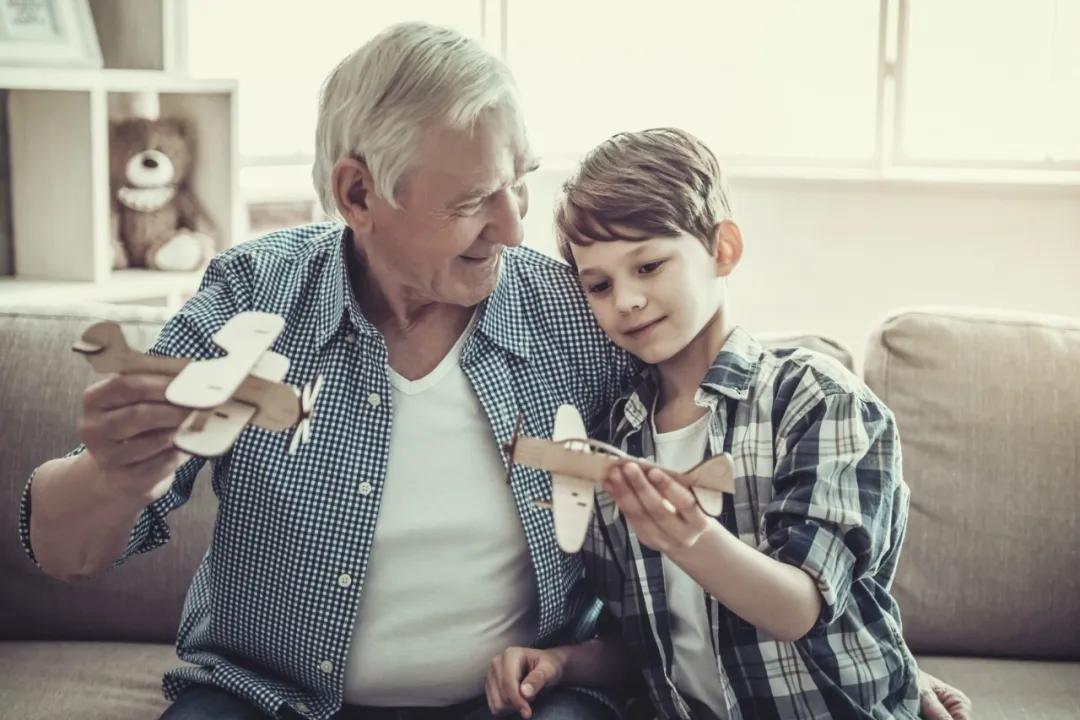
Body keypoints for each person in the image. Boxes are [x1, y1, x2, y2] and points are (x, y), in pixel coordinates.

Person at [19, 22, 968, 720]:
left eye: (521, 182)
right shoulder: (254, 295)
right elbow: (67, 552)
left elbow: (739, 458)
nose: (515, 229)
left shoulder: (576, 311)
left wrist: (870, 658)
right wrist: (116, 469)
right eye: (476, 199)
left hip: (524, 699)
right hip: (264, 694)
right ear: (359, 193)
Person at [484, 128, 971, 720]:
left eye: (649, 265)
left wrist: (690, 537)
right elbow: (646, 646)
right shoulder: (614, 435)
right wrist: (561, 662)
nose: (626, 300)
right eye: (600, 285)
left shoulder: (816, 399)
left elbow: (800, 608)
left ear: (723, 250)